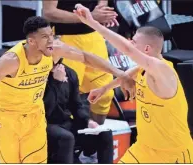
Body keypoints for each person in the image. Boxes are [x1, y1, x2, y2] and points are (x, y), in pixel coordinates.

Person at [0, 16, 134, 163]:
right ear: (31, 41)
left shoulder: (54, 51)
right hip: (6, 118)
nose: (51, 41)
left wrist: (120, 74)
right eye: (45, 37)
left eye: (51, 35)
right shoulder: (11, 61)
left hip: (34, 115)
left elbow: (86, 57)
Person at [74, 4, 193, 163]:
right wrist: (104, 88)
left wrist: (92, 23)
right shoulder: (142, 69)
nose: (130, 43)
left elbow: (127, 50)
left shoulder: (162, 70)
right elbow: (129, 74)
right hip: (144, 148)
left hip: (172, 154)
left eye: (134, 41)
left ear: (146, 49)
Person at [43, 0, 119, 125]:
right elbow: (49, 12)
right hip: (66, 38)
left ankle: (95, 135)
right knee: (66, 96)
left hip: (93, 36)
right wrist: (89, 17)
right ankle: (71, 140)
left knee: (104, 95)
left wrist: (102, 11)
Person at [43, 60, 114, 164]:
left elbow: (76, 106)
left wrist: (87, 121)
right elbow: (46, 109)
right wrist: (56, 82)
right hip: (45, 123)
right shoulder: (39, 75)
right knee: (67, 137)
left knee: (104, 133)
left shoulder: (70, 73)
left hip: (66, 123)